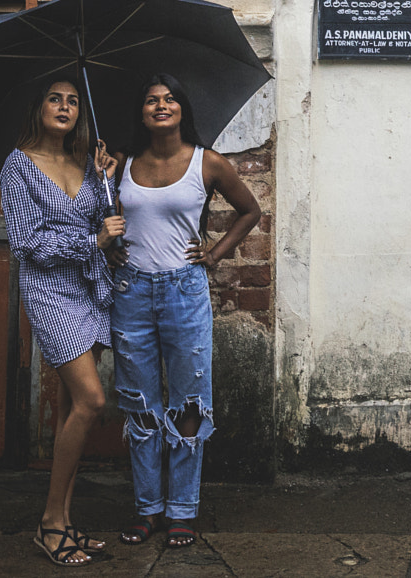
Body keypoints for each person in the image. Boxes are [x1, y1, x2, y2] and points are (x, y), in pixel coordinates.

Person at [112, 73, 263, 549]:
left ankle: (181, 510)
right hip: (131, 291)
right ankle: (147, 509)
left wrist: (215, 255)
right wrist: (108, 244)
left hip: (184, 291)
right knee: (140, 405)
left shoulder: (208, 163)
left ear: (182, 110)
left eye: (170, 99)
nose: (161, 105)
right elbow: (101, 215)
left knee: (189, 404)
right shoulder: (119, 163)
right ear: (141, 113)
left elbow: (250, 212)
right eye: (152, 99)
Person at [0, 80, 125, 567]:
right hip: (50, 292)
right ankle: (51, 521)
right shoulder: (18, 165)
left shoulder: (83, 165)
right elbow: (27, 242)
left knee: (72, 405)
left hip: (91, 291)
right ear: (39, 106)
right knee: (93, 399)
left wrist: (106, 180)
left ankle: (67, 522)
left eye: (73, 101)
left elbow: (106, 222)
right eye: (56, 98)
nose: (65, 107)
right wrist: (92, 242)